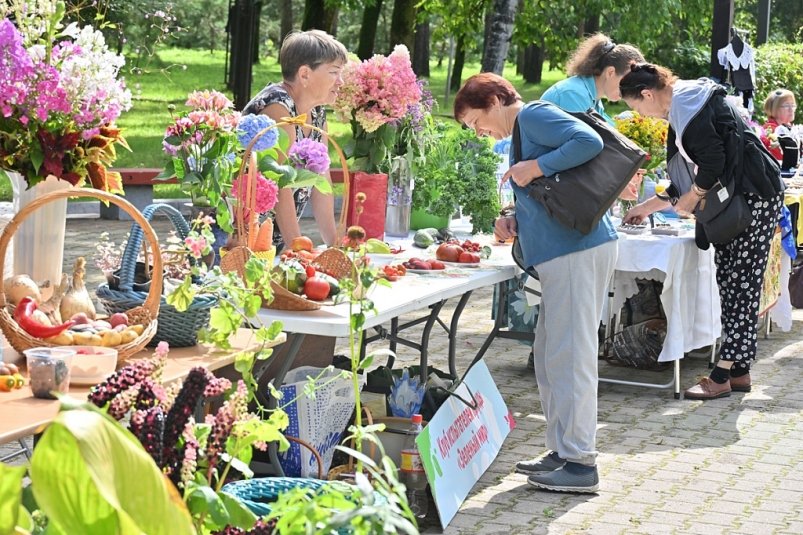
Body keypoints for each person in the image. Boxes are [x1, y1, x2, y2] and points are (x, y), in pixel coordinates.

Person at [454, 73, 618, 493]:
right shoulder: (525, 131)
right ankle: (562, 450)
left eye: (475, 121)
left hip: (577, 250)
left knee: (572, 355)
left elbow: (589, 143)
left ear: (493, 100)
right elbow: (548, 191)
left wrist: (535, 166)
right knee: (549, 355)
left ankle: (581, 462)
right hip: (564, 252)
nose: (479, 132)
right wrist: (515, 219)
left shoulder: (535, 116)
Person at [619, 63, 784, 400]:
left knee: (741, 285)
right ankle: (739, 371)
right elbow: (684, 176)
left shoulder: (689, 110)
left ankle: (721, 374)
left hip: (753, 197)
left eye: (637, 107)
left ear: (647, 94)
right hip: (742, 199)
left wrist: (694, 197)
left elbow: (712, 165)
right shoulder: (685, 105)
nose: (642, 114)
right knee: (731, 282)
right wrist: (646, 207)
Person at [242, 30, 347, 251]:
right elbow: (281, 185)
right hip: (244, 243)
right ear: (305, 74)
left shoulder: (316, 112)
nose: (341, 82)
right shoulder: (277, 108)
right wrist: (299, 253)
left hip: (274, 244)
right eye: (334, 72)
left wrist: (336, 245)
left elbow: (321, 180)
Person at [760, 89, 799, 167]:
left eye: (793, 105)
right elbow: (782, 157)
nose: (791, 109)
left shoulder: (789, 128)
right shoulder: (770, 130)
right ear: (774, 109)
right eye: (787, 105)